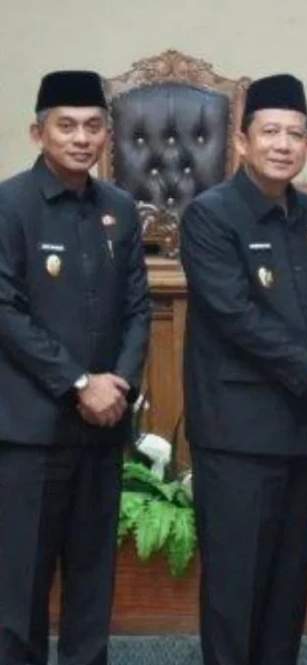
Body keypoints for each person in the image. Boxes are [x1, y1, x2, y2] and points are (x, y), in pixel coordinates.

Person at [180, 73, 307, 665]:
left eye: (295, 135)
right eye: (270, 132)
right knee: (235, 592)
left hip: (300, 430)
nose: (283, 145)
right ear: (242, 142)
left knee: (288, 594)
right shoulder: (210, 216)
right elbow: (236, 316)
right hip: (237, 436)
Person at [0, 70, 151, 665]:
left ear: (107, 134)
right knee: (20, 596)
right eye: (66, 126)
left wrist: (120, 384)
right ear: (38, 132)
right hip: (31, 433)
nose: (81, 138)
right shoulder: (9, 205)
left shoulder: (120, 209)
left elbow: (138, 308)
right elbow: (5, 310)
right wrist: (79, 382)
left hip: (100, 429)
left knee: (92, 593)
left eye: (93, 126)